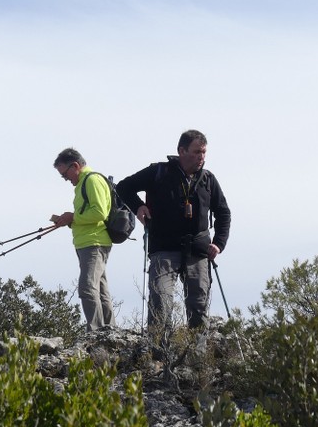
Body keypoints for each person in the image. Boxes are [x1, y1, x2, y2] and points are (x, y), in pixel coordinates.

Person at [116, 129, 231, 332]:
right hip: (164, 247)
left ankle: (197, 358)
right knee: (161, 298)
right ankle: (159, 355)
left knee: (199, 305)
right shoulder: (159, 172)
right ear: (182, 150)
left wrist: (219, 244)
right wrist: (138, 207)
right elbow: (124, 187)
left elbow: (223, 213)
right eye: (196, 152)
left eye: (204, 152)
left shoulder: (208, 179)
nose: (201, 157)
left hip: (198, 250)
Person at [51, 148, 116, 332]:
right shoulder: (82, 184)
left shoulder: (91, 180)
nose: (65, 179)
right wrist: (69, 220)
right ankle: (109, 330)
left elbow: (99, 212)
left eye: (65, 174)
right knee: (100, 289)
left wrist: (73, 217)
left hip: (94, 243)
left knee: (87, 287)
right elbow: (86, 215)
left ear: (75, 166)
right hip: (86, 242)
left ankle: (96, 331)